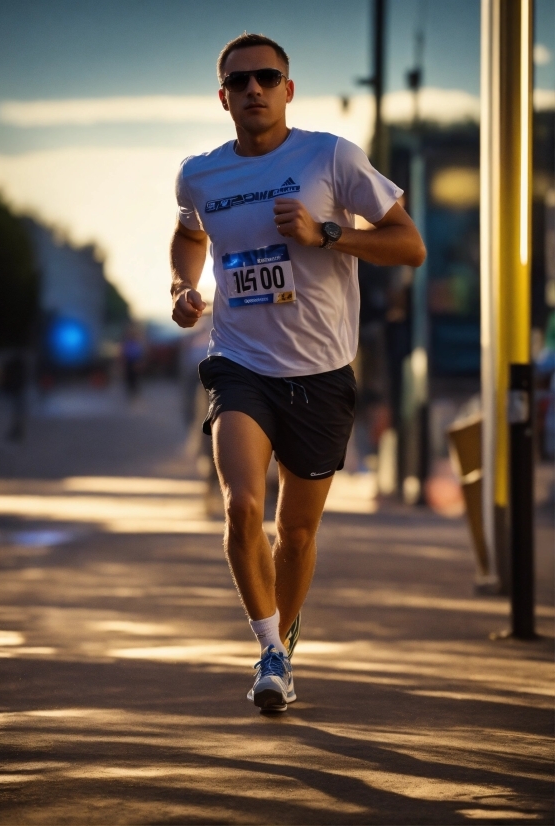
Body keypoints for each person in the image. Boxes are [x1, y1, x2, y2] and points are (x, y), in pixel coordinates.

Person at [170, 33, 425, 712]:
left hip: (321, 371)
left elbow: (410, 245)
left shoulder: (331, 158)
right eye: (240, 81)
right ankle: (271, 652)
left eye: (267, 77)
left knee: (299, 532)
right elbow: (191, 233)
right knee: (243, 504)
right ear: (223, 97)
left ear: (289, 89)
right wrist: (180, 285)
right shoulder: (201, 174)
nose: (254, 89)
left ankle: (283, 637)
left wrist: (328, 235)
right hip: (239, 362)